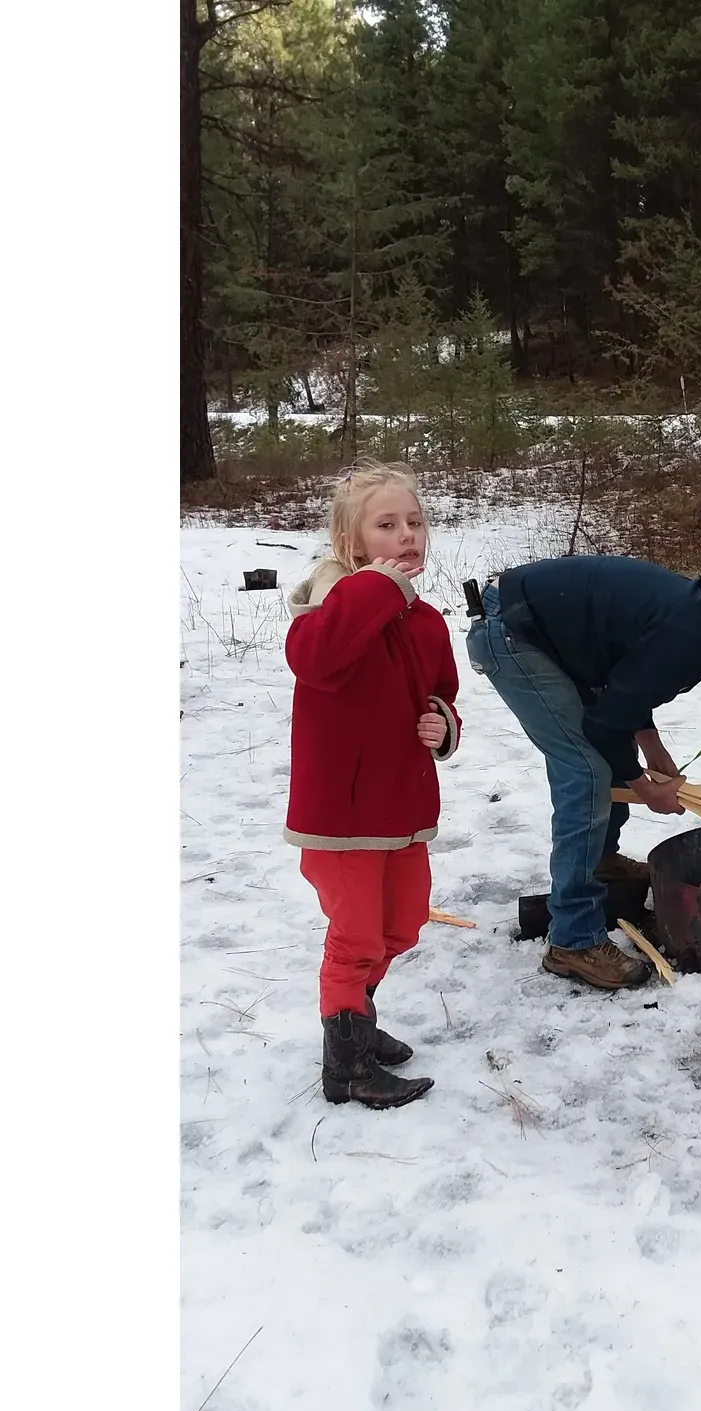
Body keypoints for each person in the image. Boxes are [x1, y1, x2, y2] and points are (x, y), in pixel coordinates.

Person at [467, 556, 701, 990]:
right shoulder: (698, 634)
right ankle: (573, 941)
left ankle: (601, 861)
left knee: (610, 751)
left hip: (544, 627)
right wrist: (645, 789)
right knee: (586, 770)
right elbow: (604, 723)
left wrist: (650, 743)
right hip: (514, 630)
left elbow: (626, 677)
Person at [284, 463, 462, 1110]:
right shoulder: (330, 607)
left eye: (415, 523)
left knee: (402, 925)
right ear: (352, 542)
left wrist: (441, 723)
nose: (407, 535)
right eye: (387, 525)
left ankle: (354, 1013)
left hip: (402, 808)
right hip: (342, 816)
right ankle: (347, 1064)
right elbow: (316, 659)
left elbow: (442, 691)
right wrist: (375, 588)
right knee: (356, 938)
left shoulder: (426, 620)